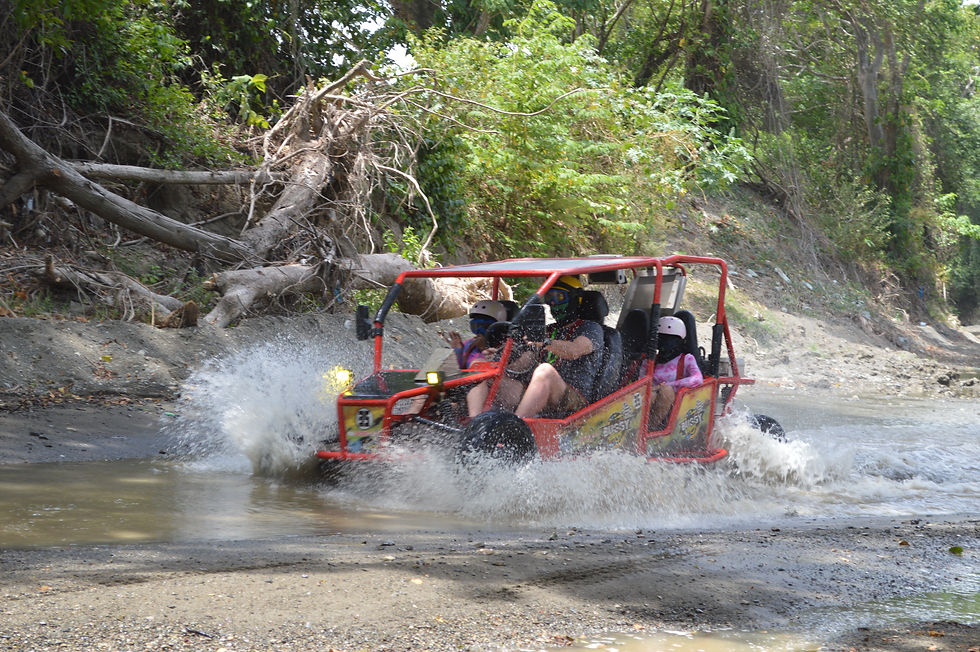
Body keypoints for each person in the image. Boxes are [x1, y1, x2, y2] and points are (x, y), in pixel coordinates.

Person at [467, 275, 604, 418]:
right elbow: (525, 362)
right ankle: (474, 424)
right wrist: (500, 360)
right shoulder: (547, 330)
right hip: (537, 391)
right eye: (549, 297)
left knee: (545, 371)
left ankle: (515, 426)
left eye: (559, 297)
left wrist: (545, 342)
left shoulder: (590, 328)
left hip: (573, 398)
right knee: (480, 366)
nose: (553, 303)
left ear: (576, 298)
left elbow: (574, 350)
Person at [647, 315, 704, 427]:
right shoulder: (650, 360)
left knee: (666, 390)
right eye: (662, 338)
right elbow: (641, 382)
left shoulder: (686, 359)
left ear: (680, 341)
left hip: (675, 404)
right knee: (652, 395)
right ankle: (641, 429)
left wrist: (667, 385)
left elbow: (698, 379)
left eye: (671, 340)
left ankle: (652, 429)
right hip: (651, 398)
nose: (666, 343)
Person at [444, 300, 507, 369]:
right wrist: (458, 350)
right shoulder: (469, 344)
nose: (479, 331)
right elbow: (460, 370)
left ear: (499, 326)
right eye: (475, 326)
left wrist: (486, 352)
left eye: (485, 326)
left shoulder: (505, 347)